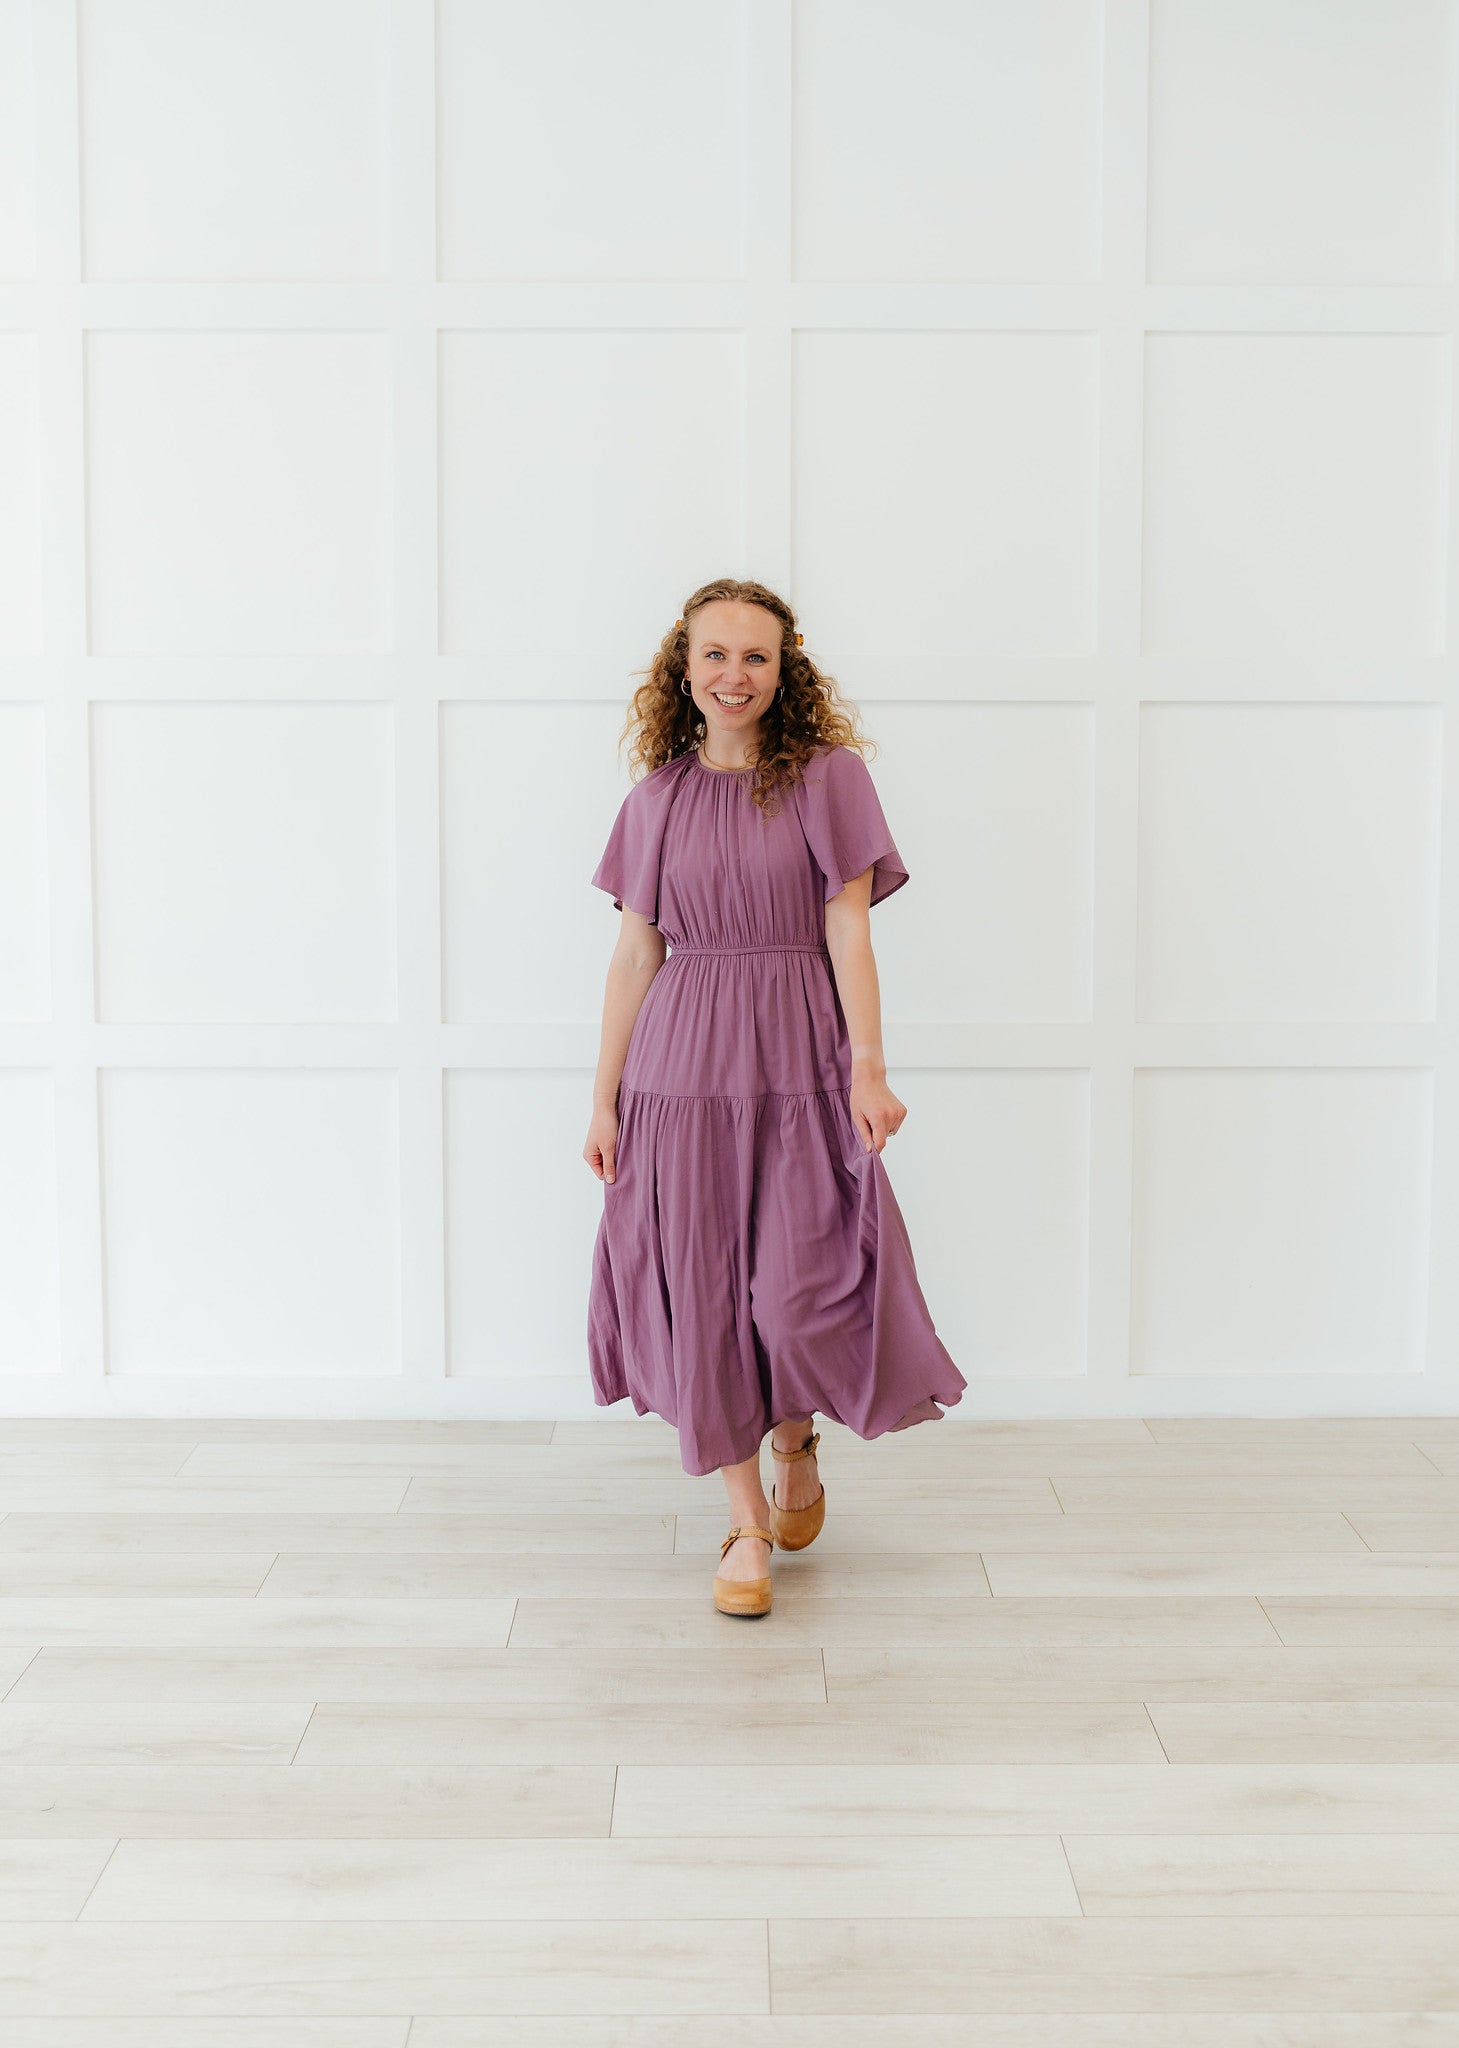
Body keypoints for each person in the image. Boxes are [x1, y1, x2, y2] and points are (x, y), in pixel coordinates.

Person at [582, 576, 967, 1616]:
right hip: (679, 1068)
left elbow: (849, 929)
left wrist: (867, 1066)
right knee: (704, 1294)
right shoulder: (655, 800)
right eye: (714, 654)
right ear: (682, 669)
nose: (734, 674)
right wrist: (605, 1098)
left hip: (799, 1053)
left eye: (755, 656)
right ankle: (745, 1521)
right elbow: (634, 956)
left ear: (783, 669)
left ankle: (795, 1436)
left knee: (798, 1289)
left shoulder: (828, 779)